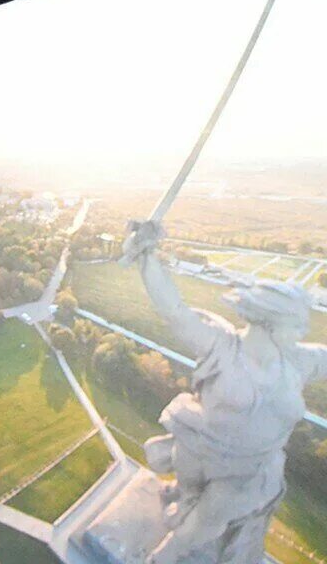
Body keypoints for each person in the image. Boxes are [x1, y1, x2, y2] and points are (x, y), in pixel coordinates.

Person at [122, 220, 327, 563]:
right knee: (199, 504)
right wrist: (146, 254)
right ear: (270, 323)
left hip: (250, 470)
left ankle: (168, 549)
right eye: (298, 325)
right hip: (204, 452)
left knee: (211, 515)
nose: (304, 332)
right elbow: (174, 310)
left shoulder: (301, 360)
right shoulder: (222, 346)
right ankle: (171, 537)